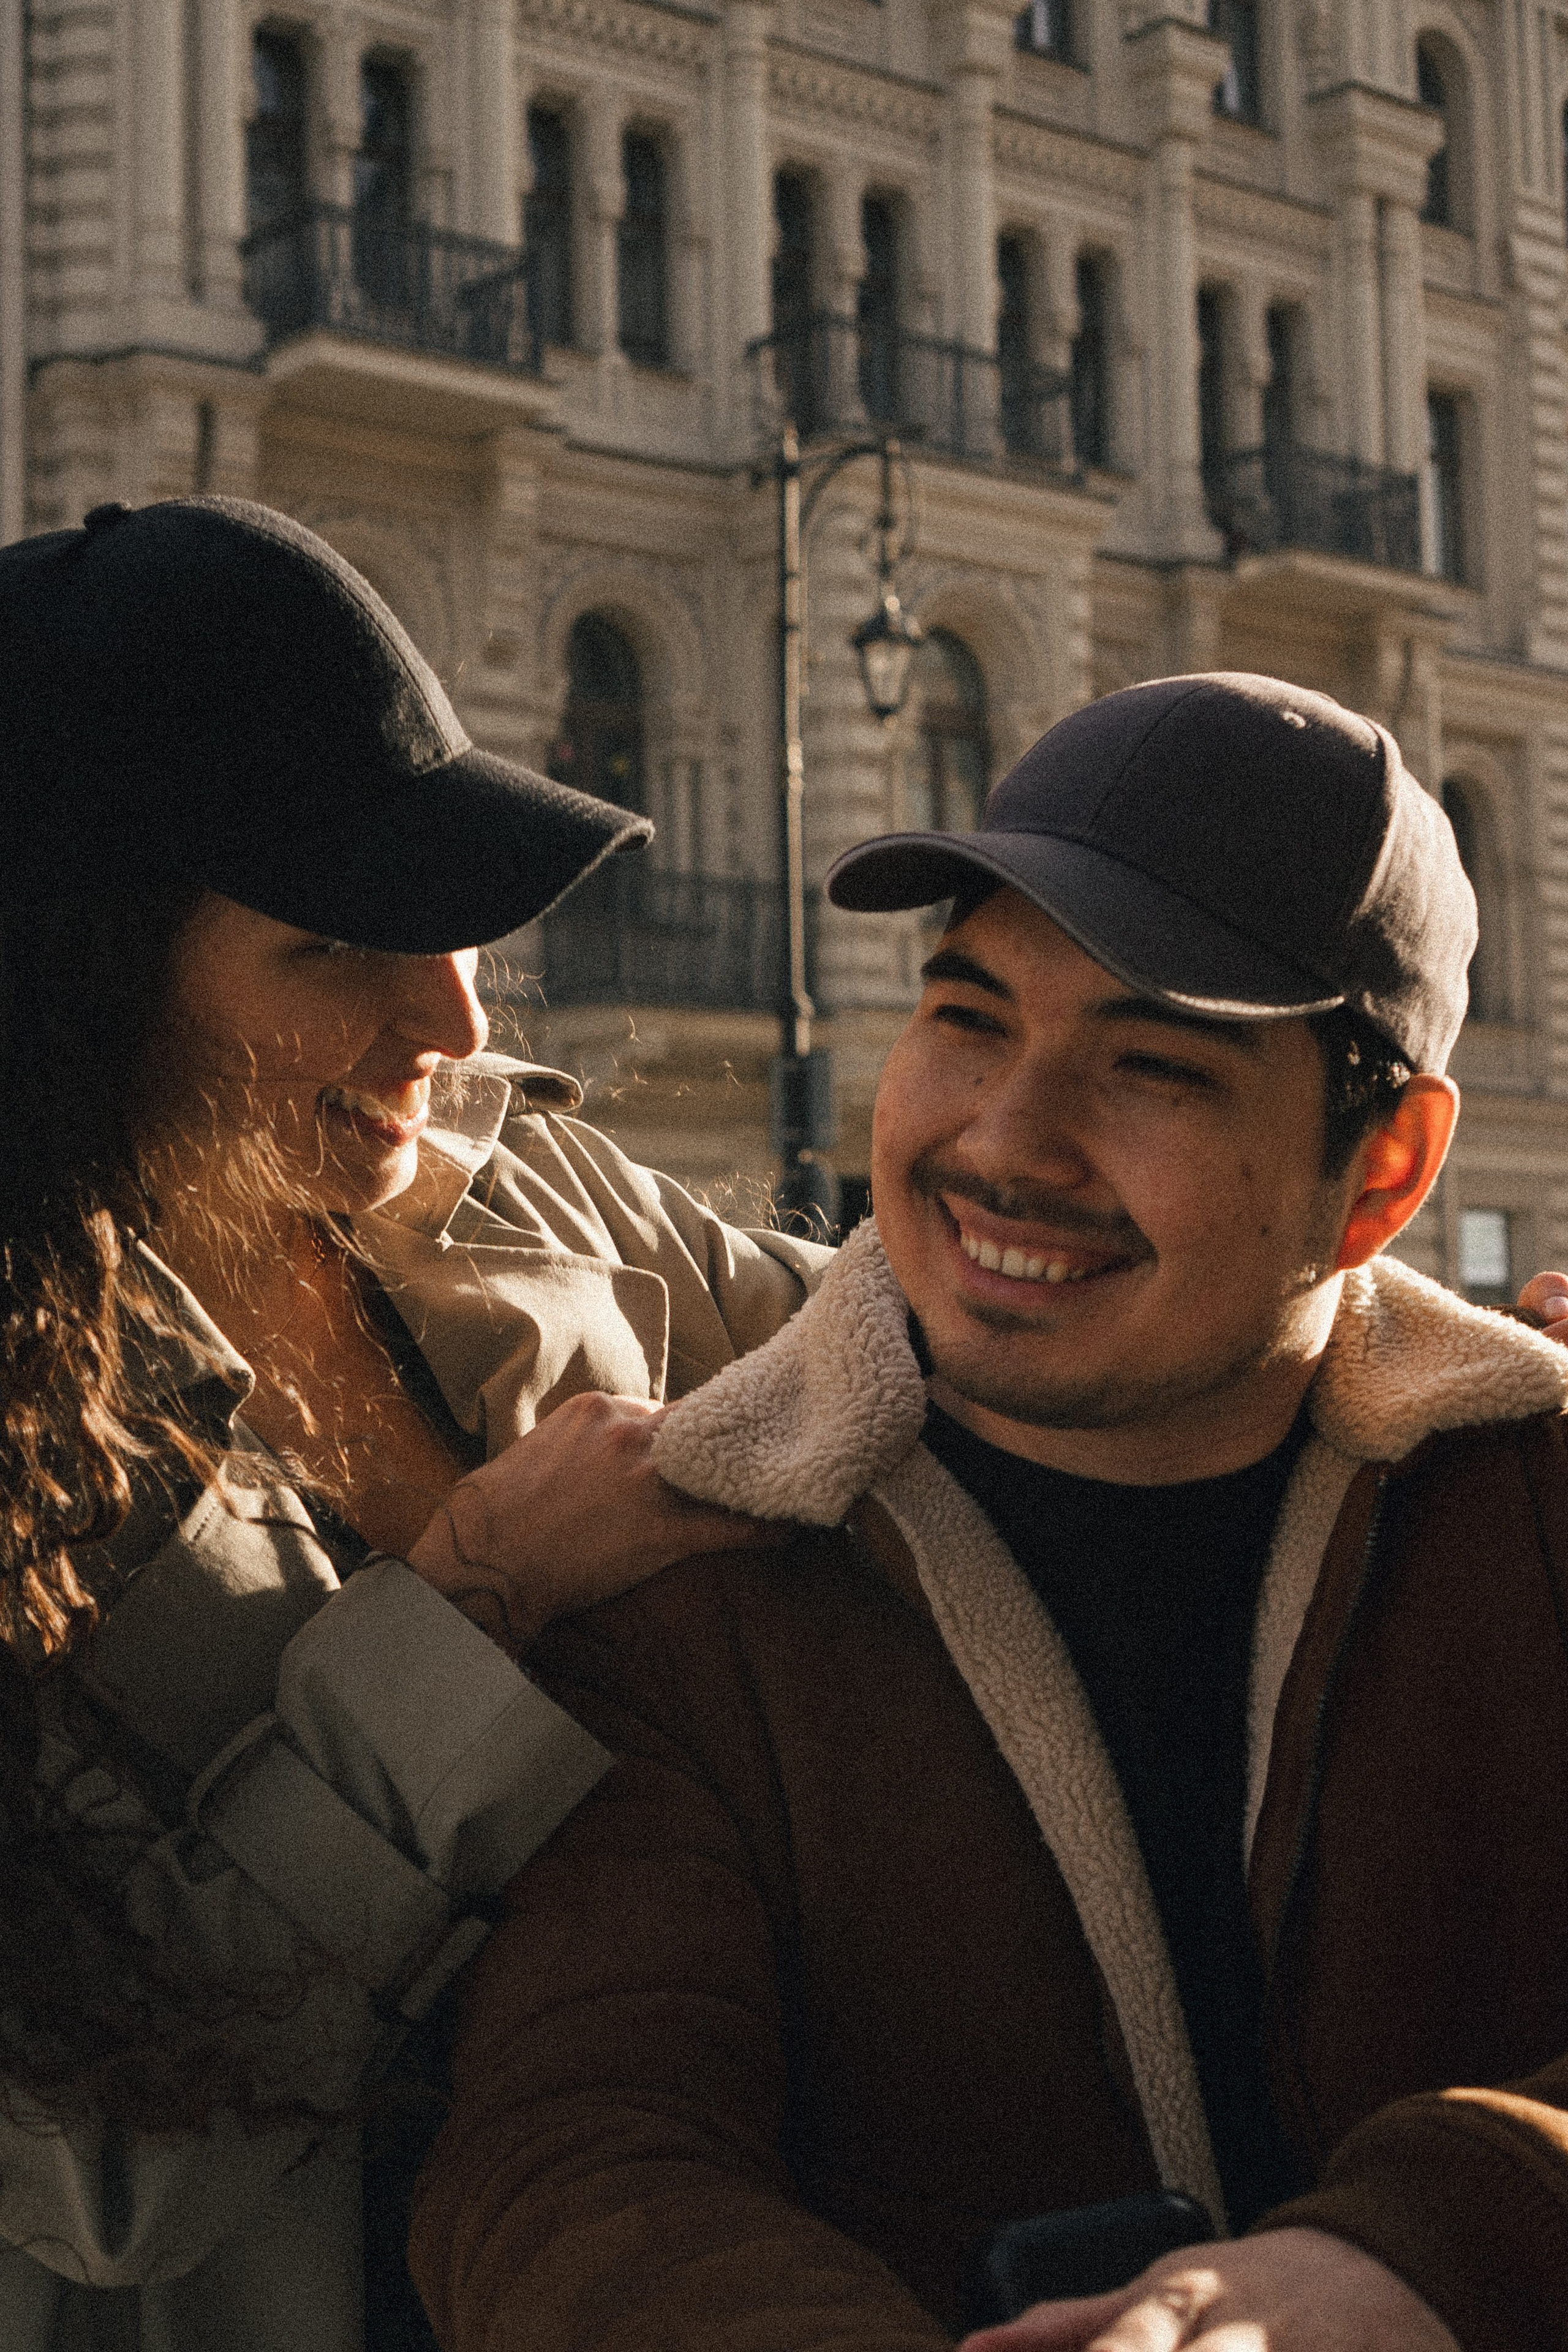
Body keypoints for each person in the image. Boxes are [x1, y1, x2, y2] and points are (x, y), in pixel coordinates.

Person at [410, 673, 1568, 2352]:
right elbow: (572, 2163)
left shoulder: (1533, 1512)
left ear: (1383, 1170)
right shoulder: (691, 1576)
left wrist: (1427, 2260)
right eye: (967, 1019)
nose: (1005, 1142)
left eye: (1152, 1067)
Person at [0, 497, 828, 2352]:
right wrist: (470, 1606)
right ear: (74, 978)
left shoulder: (515, 1193)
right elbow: (90, 2163)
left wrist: (1443, 1347)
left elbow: (941, 1331)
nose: (450, 1014)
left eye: (446, 927)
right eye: (330, 946)